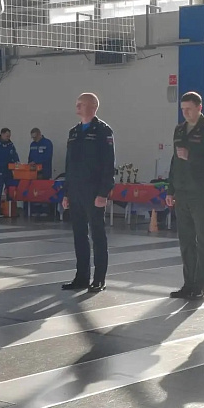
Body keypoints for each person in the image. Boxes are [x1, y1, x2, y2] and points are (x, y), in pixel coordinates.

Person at [166, 91, 204, 300]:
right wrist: (170, 189)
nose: (185, 113)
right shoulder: (179, 129)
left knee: (203, 239)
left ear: (200, 108)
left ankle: (201, 284)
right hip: (182, 191)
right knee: (186, 240)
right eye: (183, 109)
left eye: (189, 109)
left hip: (201, 192)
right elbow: (174, 161)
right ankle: (188, 283)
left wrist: (192, 156)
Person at [61, 93, 115, 292]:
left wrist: (104, 192)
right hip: (76, 191)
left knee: (97, 235)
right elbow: (69, 164)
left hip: (94, 192)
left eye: (81, 104)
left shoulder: (102, 131)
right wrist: (66, 193)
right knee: (79, 235)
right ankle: (81, 277)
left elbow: (109, 163)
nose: (77, 107)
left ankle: (99, 278)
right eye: (76, 104)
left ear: (93, 106)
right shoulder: (74, 132)